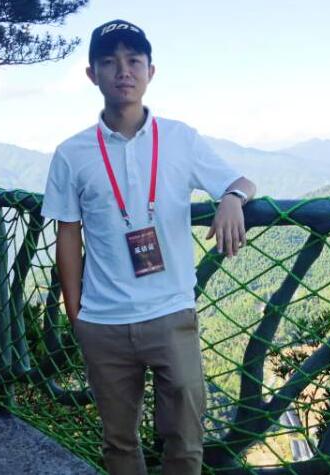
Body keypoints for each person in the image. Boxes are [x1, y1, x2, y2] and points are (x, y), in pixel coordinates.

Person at [41, 19, 256, 475]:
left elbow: (239, 181)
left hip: (172, 312)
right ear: (92, 74)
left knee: (186, 441)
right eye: (109, 61)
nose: (123, 70)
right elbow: (67, 233)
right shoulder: (71, 153)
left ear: (150, 71)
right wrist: (77, 315)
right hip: (104, 320)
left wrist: (233, 199)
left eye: (134, 60)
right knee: (119, 443)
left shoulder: (180, 138)